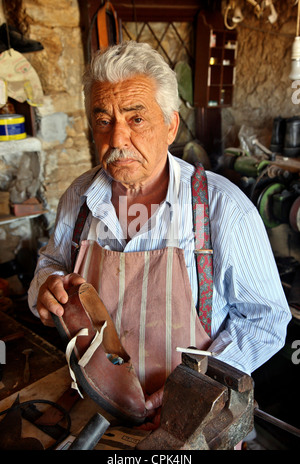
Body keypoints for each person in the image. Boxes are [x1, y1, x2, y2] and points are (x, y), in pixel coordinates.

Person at [28, 41, 291, 416]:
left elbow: (266, 321)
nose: (117, 139)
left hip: (195, 414)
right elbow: (49, 264)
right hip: (97, 407)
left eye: (136, 119)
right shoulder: (78, 197)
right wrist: (47, 284)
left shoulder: (223, 209)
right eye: (103, 121)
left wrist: (195, 385)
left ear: (170, 125)